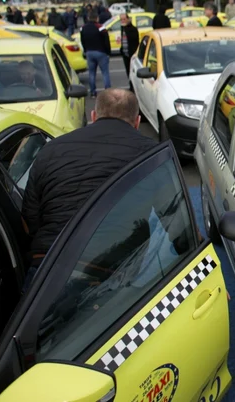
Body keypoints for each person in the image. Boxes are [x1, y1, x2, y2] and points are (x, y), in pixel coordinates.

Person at [21, 89, 156, 290]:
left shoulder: (51, 150)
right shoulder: (151, 152)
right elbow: (171, 210)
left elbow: (30, 219)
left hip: (48, 267)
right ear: (137, 122)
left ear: (94, 116)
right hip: (114, 269)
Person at [81, 11, 112, 97]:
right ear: (97, 18)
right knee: (105, 73)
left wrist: (86, 50)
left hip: (89, 52)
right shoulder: (100, 27)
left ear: (88, 18)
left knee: (91, 73)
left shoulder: (83, 28)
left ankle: (93, 92)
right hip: (101, 52)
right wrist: (108, 52)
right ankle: (108, 91)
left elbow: (82, 40)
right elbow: (106, 40)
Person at [120, 13, 139, 83]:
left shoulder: (132, 29)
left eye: (124, 19)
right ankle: (130, 83)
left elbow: (134, 40)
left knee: (133, 71)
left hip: (132, 53)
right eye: (121, 20)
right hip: (125, 53)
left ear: (128, 19)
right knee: (128, 70)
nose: (123, 21)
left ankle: (133, 85)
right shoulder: (122, 28)